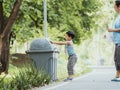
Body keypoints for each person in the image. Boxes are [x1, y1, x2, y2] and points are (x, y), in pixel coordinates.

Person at [108, 0, 120, 81]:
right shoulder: (118, 17)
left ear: (119, 7)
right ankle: (117, 76)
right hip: (117, 41)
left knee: (119, 59)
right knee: (116, 59)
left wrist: (112, 30)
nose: (114, 8)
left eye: (114, 6)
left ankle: (117, 76)